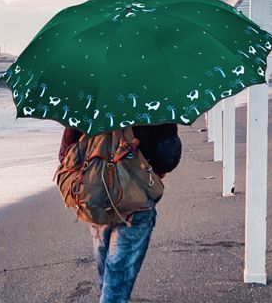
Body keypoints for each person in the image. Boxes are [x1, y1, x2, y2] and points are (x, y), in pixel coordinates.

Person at [58, 123, 182, 303]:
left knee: (108, 277)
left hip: (96, 198)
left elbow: (65, 154)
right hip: (136, 201)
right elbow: (167, 157)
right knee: (116, 288)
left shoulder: (90, 100)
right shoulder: (153, 100)